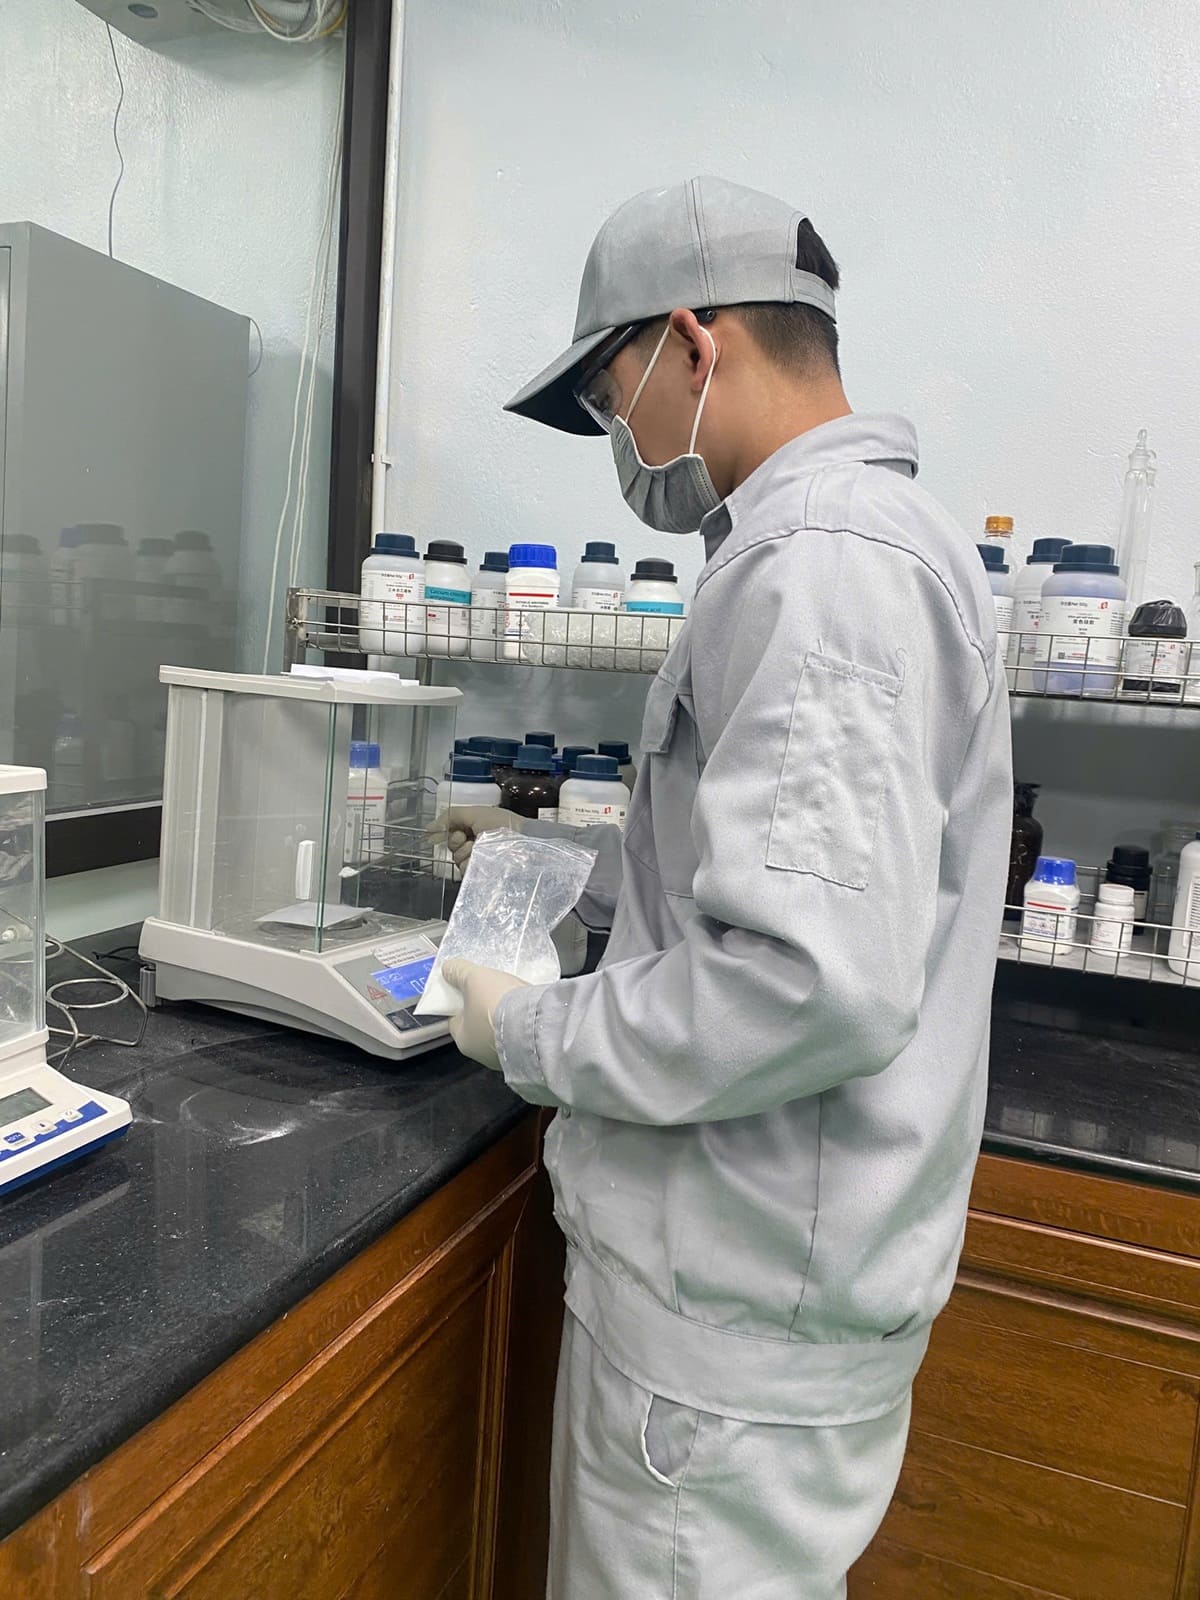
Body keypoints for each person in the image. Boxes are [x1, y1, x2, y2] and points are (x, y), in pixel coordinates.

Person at [433, 176, 1012, 1599]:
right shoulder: (856, 543)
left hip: (726, 1348)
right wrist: (568, 880)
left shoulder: (824, 566)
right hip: (761, 1315)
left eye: (608, 398)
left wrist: (528, 1029)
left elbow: (803, 984)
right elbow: (783, 883)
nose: (618, 445)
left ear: (694, 345)